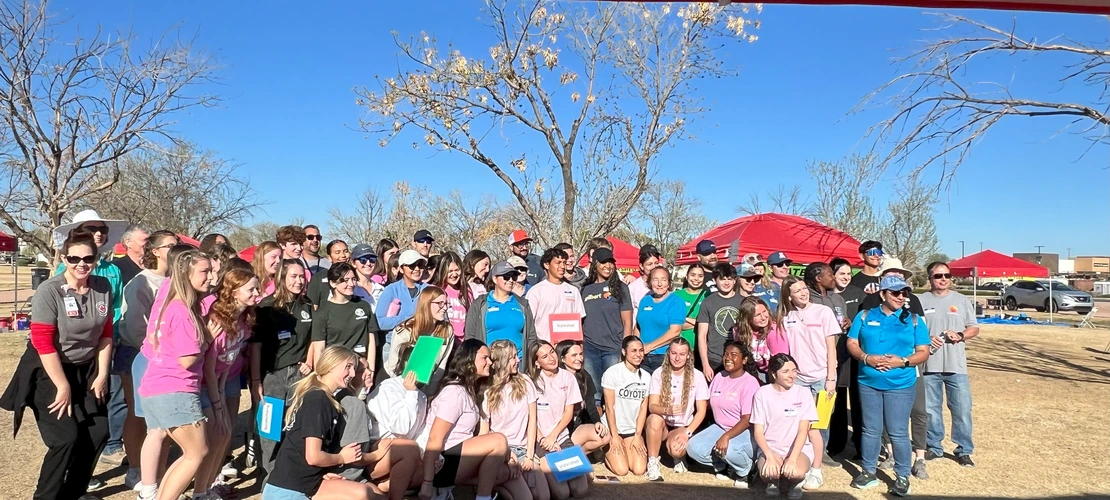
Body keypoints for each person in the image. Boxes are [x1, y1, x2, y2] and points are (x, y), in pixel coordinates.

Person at [0, 233, 114, 500]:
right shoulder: (49, 290)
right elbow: (42, 342)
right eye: (74, 258)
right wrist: (62, 385)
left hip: (85, 369)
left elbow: (106, 333)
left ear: (96, 259)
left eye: (88, 258)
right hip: (48, 369)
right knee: (65, 438)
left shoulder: (103, 287)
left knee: (99, 431)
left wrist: (102, 373)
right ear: (64, 259)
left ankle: (73, 493)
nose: (81, 264)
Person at [137, 250, 215, 500]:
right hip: (175, 390)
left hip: (157, 387)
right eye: (205, 271)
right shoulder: (182, 311)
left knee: (190, 453)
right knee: (197, 452)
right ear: (186, 274)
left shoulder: (170, 305)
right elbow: (187, 359)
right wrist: (206, 339)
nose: (211, 276)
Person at [846, 275, 930, 497]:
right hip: (868, 383)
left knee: (898, 432)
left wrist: (901, 361)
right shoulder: (864, 316)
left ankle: (902, 476)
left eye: (904, 293)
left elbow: (923, 351)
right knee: (870, 430)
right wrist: (866, 358)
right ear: (882, 294)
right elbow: (852, 342)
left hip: (901, 384)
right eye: (895, 292)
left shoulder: (913, 320)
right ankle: (868, 472)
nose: (901, 297)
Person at [260, 346, 381, 500]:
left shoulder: (325, 399)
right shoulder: (318, 399)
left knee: (371, 495)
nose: (352, 374)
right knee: (363, 494)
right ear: (331, 366)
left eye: (354, 369)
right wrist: (342, 458)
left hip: (307, 484)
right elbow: (313, 457)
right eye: (348, 367)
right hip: (288, 489)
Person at [417, 339, 530, 500]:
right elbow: (435, 437)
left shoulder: (469, 391)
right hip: (441, 463)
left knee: (506, 472)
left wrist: (507, 453)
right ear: (469, 360)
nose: (490, 362)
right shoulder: (454, 393)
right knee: (498, 440)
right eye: (485, 358)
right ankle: (483, 498)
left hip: (459, 459)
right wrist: (427, 482)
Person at [115, 230, 178, 489]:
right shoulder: (141, 282)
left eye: (178, 245)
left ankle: (157, 471)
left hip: (170, 356)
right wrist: (157, 349)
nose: (175, 250)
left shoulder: (176, 279)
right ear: (155, 251)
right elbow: (133, 326)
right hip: (137, 353)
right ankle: (134, 469)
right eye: (170, 246)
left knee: (161, 417)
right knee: (139, 413)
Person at [195, 268, 260, 500]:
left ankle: (211, 485)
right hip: (200, 385)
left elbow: (228, 364)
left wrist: (221, 394)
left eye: (257, 288)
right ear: (233, 292)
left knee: (224, 434)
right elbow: (209, 368)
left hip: (219, 382)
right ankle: (199, 491)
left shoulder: (244, 321)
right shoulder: (217, 321)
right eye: (251, 289)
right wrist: (217, 403)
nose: (257, 294)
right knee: (214, 435)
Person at [776, 276, 841, 488]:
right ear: (789, 296)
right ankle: (801, 459)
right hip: (799, 379)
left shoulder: (823, 312)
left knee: (820, 424)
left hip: (822, 376)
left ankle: (817, 467)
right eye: (797, 291)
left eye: (804, 288)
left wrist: (831, 378)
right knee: (799, 423)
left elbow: (832, 348)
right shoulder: (786, 317)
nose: (803, 293)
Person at [251, 259, 314, 475]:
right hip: (272, 375)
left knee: (294, 423)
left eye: (301, 276)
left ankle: (289, 471)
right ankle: (267, 473)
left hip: (300, 374)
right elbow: (255, 347)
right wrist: (256, 380)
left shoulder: (307, 306)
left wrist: (309, 361)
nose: (298, 281)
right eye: (293, 276)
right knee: (270, 426)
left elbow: (313, 340)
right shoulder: (266, 307)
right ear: (282, 278)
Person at [918, 262, 979, 469]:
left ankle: (964, 450)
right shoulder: (920, 300)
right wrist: (926, 337)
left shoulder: (961, 300)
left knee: (961, 409)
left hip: (956, 367)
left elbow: (974, 327)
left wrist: (960, 334)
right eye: (938, 276)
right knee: (931, 409)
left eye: (946, 275)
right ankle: (934, 447)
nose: (943, 279)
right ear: (930, 278)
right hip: (929, 365)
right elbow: (911, 328)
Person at [336, 360, 422, 500]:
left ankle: (383, 488)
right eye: (362, 371)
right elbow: (353, 455)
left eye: (369, 367)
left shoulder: (361, 399)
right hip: (355, 467)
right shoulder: (353, 404)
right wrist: (377, 454)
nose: (369, 372)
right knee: (409, 448)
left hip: (367, 460)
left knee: (420, 470)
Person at [479, 340, 549, 500]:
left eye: (517, 356)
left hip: (524, 450)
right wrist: (507, 454)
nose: (518, 360)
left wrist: (530, 456)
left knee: (543, 496)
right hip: (502, 453)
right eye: (513, 357)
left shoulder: (525, 382)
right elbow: (484, 432)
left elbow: (533, 421)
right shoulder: (487, 390)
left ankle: (500, 490)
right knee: (527, 498)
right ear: (502, 361)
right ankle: (495, 488)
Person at [685, 341, 760, 488]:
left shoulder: (750, 383)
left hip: (744, 430)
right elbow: (706, 405)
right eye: (726, 354)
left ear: (744, 360)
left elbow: (747, 419)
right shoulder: (719, 377)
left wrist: (726, 437)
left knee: (729, 450)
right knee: (693, 447)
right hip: (720, 427)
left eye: (734, 355)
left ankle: (746, 470)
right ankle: (723, 465)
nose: (728, 358)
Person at [528, 340, 589, 499]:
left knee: (580, 491)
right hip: (540, 439)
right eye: (545, 356)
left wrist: (554, 436)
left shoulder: (568, 377)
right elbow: (529, 417)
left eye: (552, 352)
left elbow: (569, 412)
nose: (551, 358)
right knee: (562, 494)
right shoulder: (530, 381)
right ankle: (540, 465)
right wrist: (544, 439)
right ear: (537, 362)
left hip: (561, 437)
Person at [751, 354, 817, 500]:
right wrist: (769, 455)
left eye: (794, 371)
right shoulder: (762, 393)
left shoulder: (804, 393)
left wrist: (792, 458)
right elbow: (758, 432)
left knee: (795, 473)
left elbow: (802, 431)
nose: (792, 375)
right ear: (774, 374)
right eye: (786, 372)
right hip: (771, 448)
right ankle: (773, 482)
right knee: (768, 473)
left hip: (797, 450)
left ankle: (797, 483)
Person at [644, 338, 709, 482]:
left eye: (682, 354)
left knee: (676, 449)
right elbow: (652, 406)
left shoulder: (697, 375)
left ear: (688, 355)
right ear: (668, 354)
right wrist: (668, 410)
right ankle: (653, 463)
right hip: (664, 424)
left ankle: (679, 457)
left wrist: (687, 433)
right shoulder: (658, 373)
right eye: (673, 353)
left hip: (683, 425)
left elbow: (701, 411)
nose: (677, 358)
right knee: (654, 418)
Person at [580, 248, 633, 399]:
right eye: (604, 262)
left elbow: (627, 321)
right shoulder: (585, 288)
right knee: (593, 393)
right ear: (595, 264)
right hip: (590, 349)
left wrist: (625, 348)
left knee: (612, 392)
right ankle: (597, 422)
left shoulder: (620, 288)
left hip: (613, 348)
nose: (608, 266)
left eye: (611, 262)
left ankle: (611, 422)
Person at [384, 287, 456, 394]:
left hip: (425, 386)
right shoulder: (405, 330)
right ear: (426, 304)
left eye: (446, 304)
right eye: (440, 303)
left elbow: (441, 366)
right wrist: (406, 391)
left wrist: (428, 394)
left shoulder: (447, 331)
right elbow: (393, 366)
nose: (444, 308)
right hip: (397, 382)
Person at [464, 262, 539, 363]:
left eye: (513, 277)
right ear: (495, 279)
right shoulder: (480, 304)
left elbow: (531, 336)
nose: (511, 280)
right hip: (490, 363)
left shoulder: (522, 304)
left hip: (518, 362)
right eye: (506, 277)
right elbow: (470, 336)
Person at [312, 263, 377, 373]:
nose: (351, 284)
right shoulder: (323, 312)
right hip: (334, 369)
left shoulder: (364, 306)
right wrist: (319, 375)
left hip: (360, 367)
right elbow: (319, 349)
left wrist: (370, 369)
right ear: (332, 283)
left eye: (353, 279)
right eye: (345, 280)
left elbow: (371, 341)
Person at [600, 336, 650, 477]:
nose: (638, 354)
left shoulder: (646, 377)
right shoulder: (613, 372)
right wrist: (614, 436)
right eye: (633, 351)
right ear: (624, 351)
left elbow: (642, 409)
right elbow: (609, 407)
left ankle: (626, 450)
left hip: (631, 430)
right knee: (621, 471)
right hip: (613, 428)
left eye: (641, 350)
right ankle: (604, 452)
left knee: (639, 470)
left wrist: (638, 435)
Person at [555, 340, 611, 456]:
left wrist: (598, 422)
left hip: (576, 427)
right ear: (563, 358)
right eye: (574, 355)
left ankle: (576, 456)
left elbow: (591, 405)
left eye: (580, 354)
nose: (579, 358)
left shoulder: (585, 376)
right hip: (558, 429)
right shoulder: (556, 378)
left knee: (604, 436)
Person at [376, 250, 428, 364]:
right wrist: (409, 318)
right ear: (401, 268)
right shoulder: (390, 290)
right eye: (411, 265)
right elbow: (381, 322)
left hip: (422, 346)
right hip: (394, 347)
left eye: (420, 265)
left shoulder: (429, 290)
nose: (416, 269)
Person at [367, 346, 428, 442]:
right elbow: (400, 427)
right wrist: (411, 393)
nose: (431, 370)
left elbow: (417, 432)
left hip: (407, 449)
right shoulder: (387, 388)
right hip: (383, 447)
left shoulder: (422, 396)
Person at [526, 248, 586, 343]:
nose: (562, 266)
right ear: (547, 265)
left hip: (569, 349)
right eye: (558, 263)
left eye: (564, 263)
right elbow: (528, 323)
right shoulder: (535, 292)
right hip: (546, 349)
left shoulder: (573, 290)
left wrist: (580, 344)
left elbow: (580, 320)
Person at [696, 263, 744, 378]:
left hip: (738, 358)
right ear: (714, 280)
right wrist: (705, 364)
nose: (726, 283)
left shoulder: (743, 302)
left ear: (735, 280)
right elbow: (702, 335)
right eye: (722, 279)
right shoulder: (707, 302)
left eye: (730, 279)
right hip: (714, 360)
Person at [636, 267, 685, 374]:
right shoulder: (645, 300)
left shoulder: (676, 301)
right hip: (642, 356)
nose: (659, 284)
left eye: (663, 280)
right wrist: (635, 347)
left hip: (663, 357)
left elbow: (675, 331)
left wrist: (650, 346)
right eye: (655, 279)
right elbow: (638, 326)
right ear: (649, 282)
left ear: (668, 283)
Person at [734, 296, 788, 375]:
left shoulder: (774, 330)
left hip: (773, 372)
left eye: (764, 311)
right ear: (747, 318)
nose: (763, 317)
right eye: (757, 315)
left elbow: (780, 363)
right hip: (753, 368)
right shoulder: (738, 330)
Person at [431, 251, 469, 340]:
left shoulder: (467, 291)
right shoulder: (435, 290)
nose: (454, 274)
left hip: (463, 342)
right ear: (443, 271)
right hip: (443, 339)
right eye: (450, 271)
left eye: (457, 270)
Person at [672, 263, 708, 349]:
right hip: (680, 349)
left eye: (700, 276)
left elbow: (711, 324)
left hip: (702, 349)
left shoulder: (708, 296)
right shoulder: (675, 296)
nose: (696, 279)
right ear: (687, 276)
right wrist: (699, 323)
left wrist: (685, 319)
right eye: (693, 275)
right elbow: (671, 324)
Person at [307, 239, 351, 308]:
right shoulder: (318, 278)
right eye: (337, 252)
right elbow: (313, 306)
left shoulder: (356, 276)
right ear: (329, 257)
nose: (343, 255)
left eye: (346, 251)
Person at [628, 246, 662, 324]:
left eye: (656, 263)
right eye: (649, 264)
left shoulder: (664, 285)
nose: (654, 267)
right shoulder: (633, 287)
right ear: (641, 266)